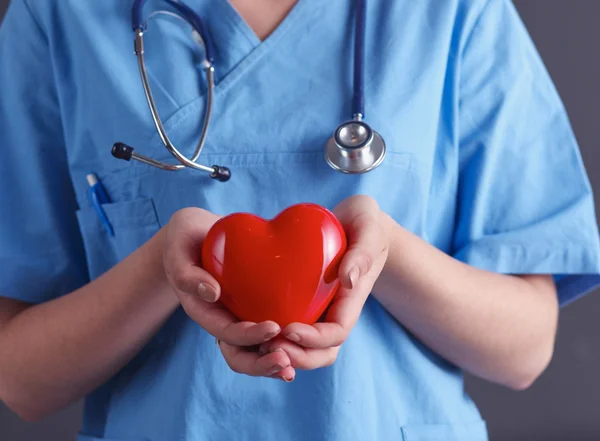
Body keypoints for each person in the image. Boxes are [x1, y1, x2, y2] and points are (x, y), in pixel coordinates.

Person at [0, 0, 599, 440]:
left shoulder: (455, 13)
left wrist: (384, 253)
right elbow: (20, 382)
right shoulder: (60, 16)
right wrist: (161, 270)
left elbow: (524, 349)